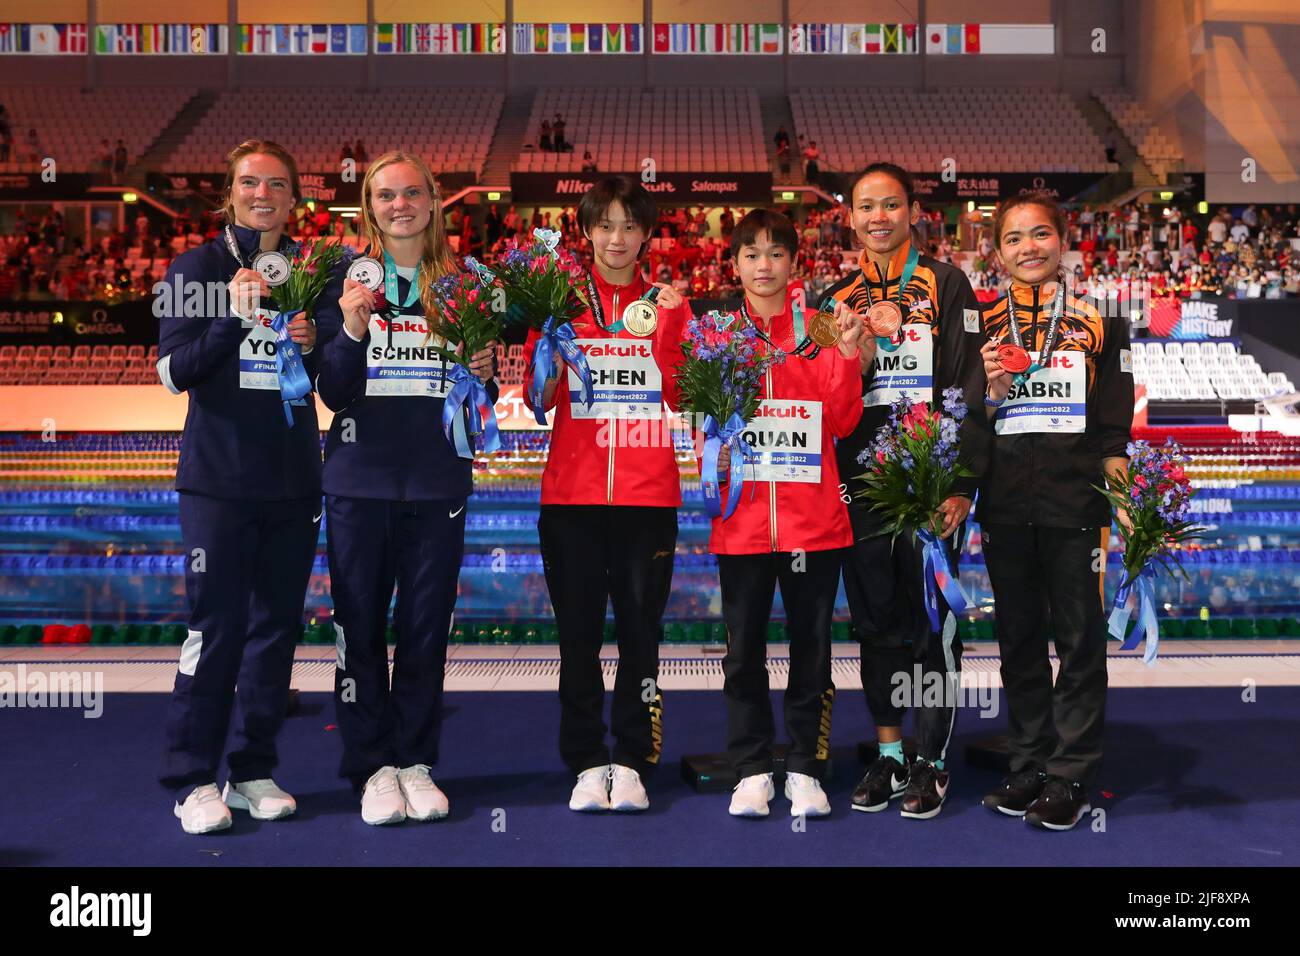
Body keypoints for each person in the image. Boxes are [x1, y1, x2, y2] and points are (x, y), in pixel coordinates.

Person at [314, 151, 497, 825]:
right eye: (385, 195)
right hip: (359, 484)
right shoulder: (342, 278)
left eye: (411, 193)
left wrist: (484, 365)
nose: (400, 205)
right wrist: (353, 331)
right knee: (357, 629)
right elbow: (331, 391)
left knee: (424, 630)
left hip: (436, 479)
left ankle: (415, 760)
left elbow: (486, 391)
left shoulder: (465, 281)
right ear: (370, 206)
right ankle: (372, 766)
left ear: (433, 201)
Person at [157, 140, 327, 834]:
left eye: (277, 185)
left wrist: (319, 345)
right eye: (250, 183)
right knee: (216, 627)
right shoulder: (194, 269)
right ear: (230, 193)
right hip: (219, 486)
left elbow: (328, 380)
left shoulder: (310, 273)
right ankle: (192, 777)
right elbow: (172, 373)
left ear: (294, 198)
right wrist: (230, 314)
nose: (264, 194)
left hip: (291, 482)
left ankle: (253, 768)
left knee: (275, 634)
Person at [821, 162, 988, 820]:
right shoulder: (837, 298)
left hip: (929, 484)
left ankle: (933, 760)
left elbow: (969, 385)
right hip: (864, 485)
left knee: (931, 630)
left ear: (912, 210)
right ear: (850, 217)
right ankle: (889, 756)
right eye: (867, 206)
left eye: (891, 204)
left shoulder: (947, 285)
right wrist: (849, 363)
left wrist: (962, 483)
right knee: (875, 627)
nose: (878, 217)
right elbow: (831, 401)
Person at [521, 176, 692, 813]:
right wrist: (548, 350)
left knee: (642, 636)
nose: (616, 238)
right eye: (604, 225)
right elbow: (539, 402)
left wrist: (676, 332)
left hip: (648, 497)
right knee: (578, 638)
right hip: (572, 497)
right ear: (586, 231)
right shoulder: (559, 302)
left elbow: (680, 396)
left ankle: (634, 757)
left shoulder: (668, 304)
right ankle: (586, 760)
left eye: (629, 226)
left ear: (647, 234)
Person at [977, 191, 1134, 831]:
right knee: (1016, 639)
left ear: (1062, 241)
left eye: (1040, 234)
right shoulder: (981, 324)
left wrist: (1121, 500)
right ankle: (1032, 760)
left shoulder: (1098, 320)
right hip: (1007, 504)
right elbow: (966, 421)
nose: (1029, 248)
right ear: (997, 252)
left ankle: (1072, 772)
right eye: (1014, 239)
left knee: (1078, 639)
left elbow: (1112, 422)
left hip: (1074, 503)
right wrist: (989, 393)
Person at [708, 208, 864, 819]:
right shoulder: (718, 334)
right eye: (752, 254)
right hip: (742, 521)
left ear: (794, 263)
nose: (764, 265)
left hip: (814, 524)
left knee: (813, 651)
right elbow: (699, 413)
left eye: (776, 253)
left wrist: (848, 357)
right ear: (736, 263)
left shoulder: (823, 331)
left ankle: (805, 764)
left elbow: (845, 421)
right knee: (742, 652)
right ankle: (750, 766)